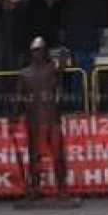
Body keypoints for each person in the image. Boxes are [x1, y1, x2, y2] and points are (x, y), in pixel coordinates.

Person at [16, 37, 68, 197]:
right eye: (34, 50)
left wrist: (63, 57)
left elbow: (63, 67)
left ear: (45, 51)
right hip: (34, 121)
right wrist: (16, 114)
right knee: (35, 157)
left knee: (58, 155)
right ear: (31, 53)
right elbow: (20, 97)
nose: (37, 53)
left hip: (52, 119)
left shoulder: (53, 68)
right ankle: (35, 188)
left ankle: (61, 188)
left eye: (40, 50)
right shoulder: (24, 74)